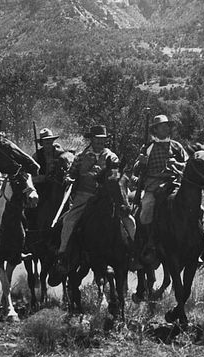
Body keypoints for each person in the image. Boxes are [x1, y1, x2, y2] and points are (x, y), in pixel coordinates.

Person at [48, 125, 120, 285]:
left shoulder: (112, 157)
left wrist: (108, 176)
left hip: (105, 198)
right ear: (92, 140)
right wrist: (69, 178)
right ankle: (62, 254)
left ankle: (133, 252)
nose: (101, 142)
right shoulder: (80, 157)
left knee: (127, 219)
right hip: (84, 196)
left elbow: (116, 176)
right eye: (98, 139)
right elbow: (71, 173)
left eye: (103, 139)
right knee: (68, 221)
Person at [131, 114, 187, 267]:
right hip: (153, 184)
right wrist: (141, 163)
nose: (166, 128)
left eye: (167, 125)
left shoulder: (177, 146)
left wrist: (177, 164)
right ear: (155, 130)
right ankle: (149, 243)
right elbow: (136, 169)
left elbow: (188, 165)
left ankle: (192, 244)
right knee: (146, 209)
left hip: (174, 183)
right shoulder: (148, 147)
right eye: (162, 126)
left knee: (197, 208)